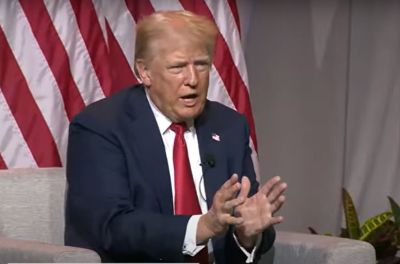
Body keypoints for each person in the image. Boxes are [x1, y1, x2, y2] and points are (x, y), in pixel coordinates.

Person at [65, 10, 287, 263]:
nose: (192, 79)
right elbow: (109, 227)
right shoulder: (101, 127)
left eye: (201, 64)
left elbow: (249, 220)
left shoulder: (229, 127)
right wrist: (202, 227)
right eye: (178, 67)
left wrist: (245, 234)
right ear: (145, 72)